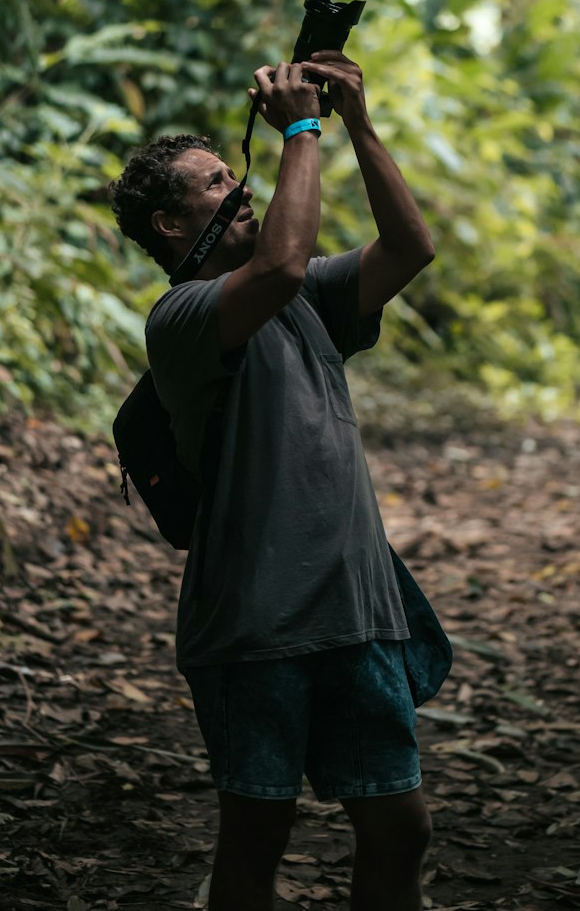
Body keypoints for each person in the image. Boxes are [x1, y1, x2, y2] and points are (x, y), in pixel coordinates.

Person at [108, 50, 439, 911]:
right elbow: (283, 263)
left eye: (233, 173)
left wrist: (354, 123)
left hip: (355, 612)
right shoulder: (180, 319)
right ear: (170, 226)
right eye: (217, 183)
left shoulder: (308, 300)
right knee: (257, 845)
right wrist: (298, 128)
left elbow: (410, 246)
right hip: (254, 625)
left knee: (401, 832)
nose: (240, 187)